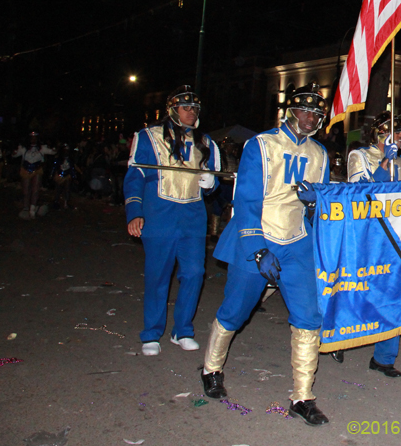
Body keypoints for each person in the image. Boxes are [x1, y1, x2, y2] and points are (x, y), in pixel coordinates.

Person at [200, 83, 330, 426]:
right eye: (304, 110)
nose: (310, 117)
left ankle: (303, 396)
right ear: (290, 111)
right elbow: (245, 200)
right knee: (236, 311)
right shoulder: (261, 144)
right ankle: (211, 367)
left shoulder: (320, 153)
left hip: (298, 240)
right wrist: (258, 249)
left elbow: (325, 205)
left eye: (316, 113)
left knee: (308, 316)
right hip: (260, 236)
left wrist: (318, 202)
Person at [124, 86, 220, 357]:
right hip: (159, 214)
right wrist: (135, 212)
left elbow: (211, 183)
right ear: (172, 110)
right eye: (186, 107)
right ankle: (152, 332)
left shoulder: (206, 142)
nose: (191, 112)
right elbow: (135, 177)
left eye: (195, 108)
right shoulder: (148, 137)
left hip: (192, 216)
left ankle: (183, 330)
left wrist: (211, 183)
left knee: (194, 273)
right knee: (158, 275)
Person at [337, 111, 401, 377]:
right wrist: (384, 164)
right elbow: (359, 192)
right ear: (380, 134)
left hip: (396, 234)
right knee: (357, 289)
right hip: (367, 233)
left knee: (393, 292)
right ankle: (338, 335)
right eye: (396, 132)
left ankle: (384, 357)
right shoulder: (359, 156)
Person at [12, 132, 56, 220]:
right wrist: (14, 151)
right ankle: (25, 208)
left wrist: (53, 147)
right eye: (32, 138)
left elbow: (52, 152)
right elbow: (14, 155)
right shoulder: (23, 148)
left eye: (35, 138)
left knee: (35, 189)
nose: (33, 140)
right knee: (26, 190)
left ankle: (32, 209)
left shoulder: (42, 148)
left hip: (37, 169)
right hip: (25, 169)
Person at [51, 144, 80, 210]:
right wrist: (52, 175)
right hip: (59, 175)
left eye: (67, 151)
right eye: (65, 151)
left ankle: (65, 203)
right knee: (58, 189)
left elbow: (72, 169)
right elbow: (54, 168)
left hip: (67, 176)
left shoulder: (70, 160)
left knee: (67, 189)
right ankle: (56, 202)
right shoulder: (58, 159)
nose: (66, 152)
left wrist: (74, 177)